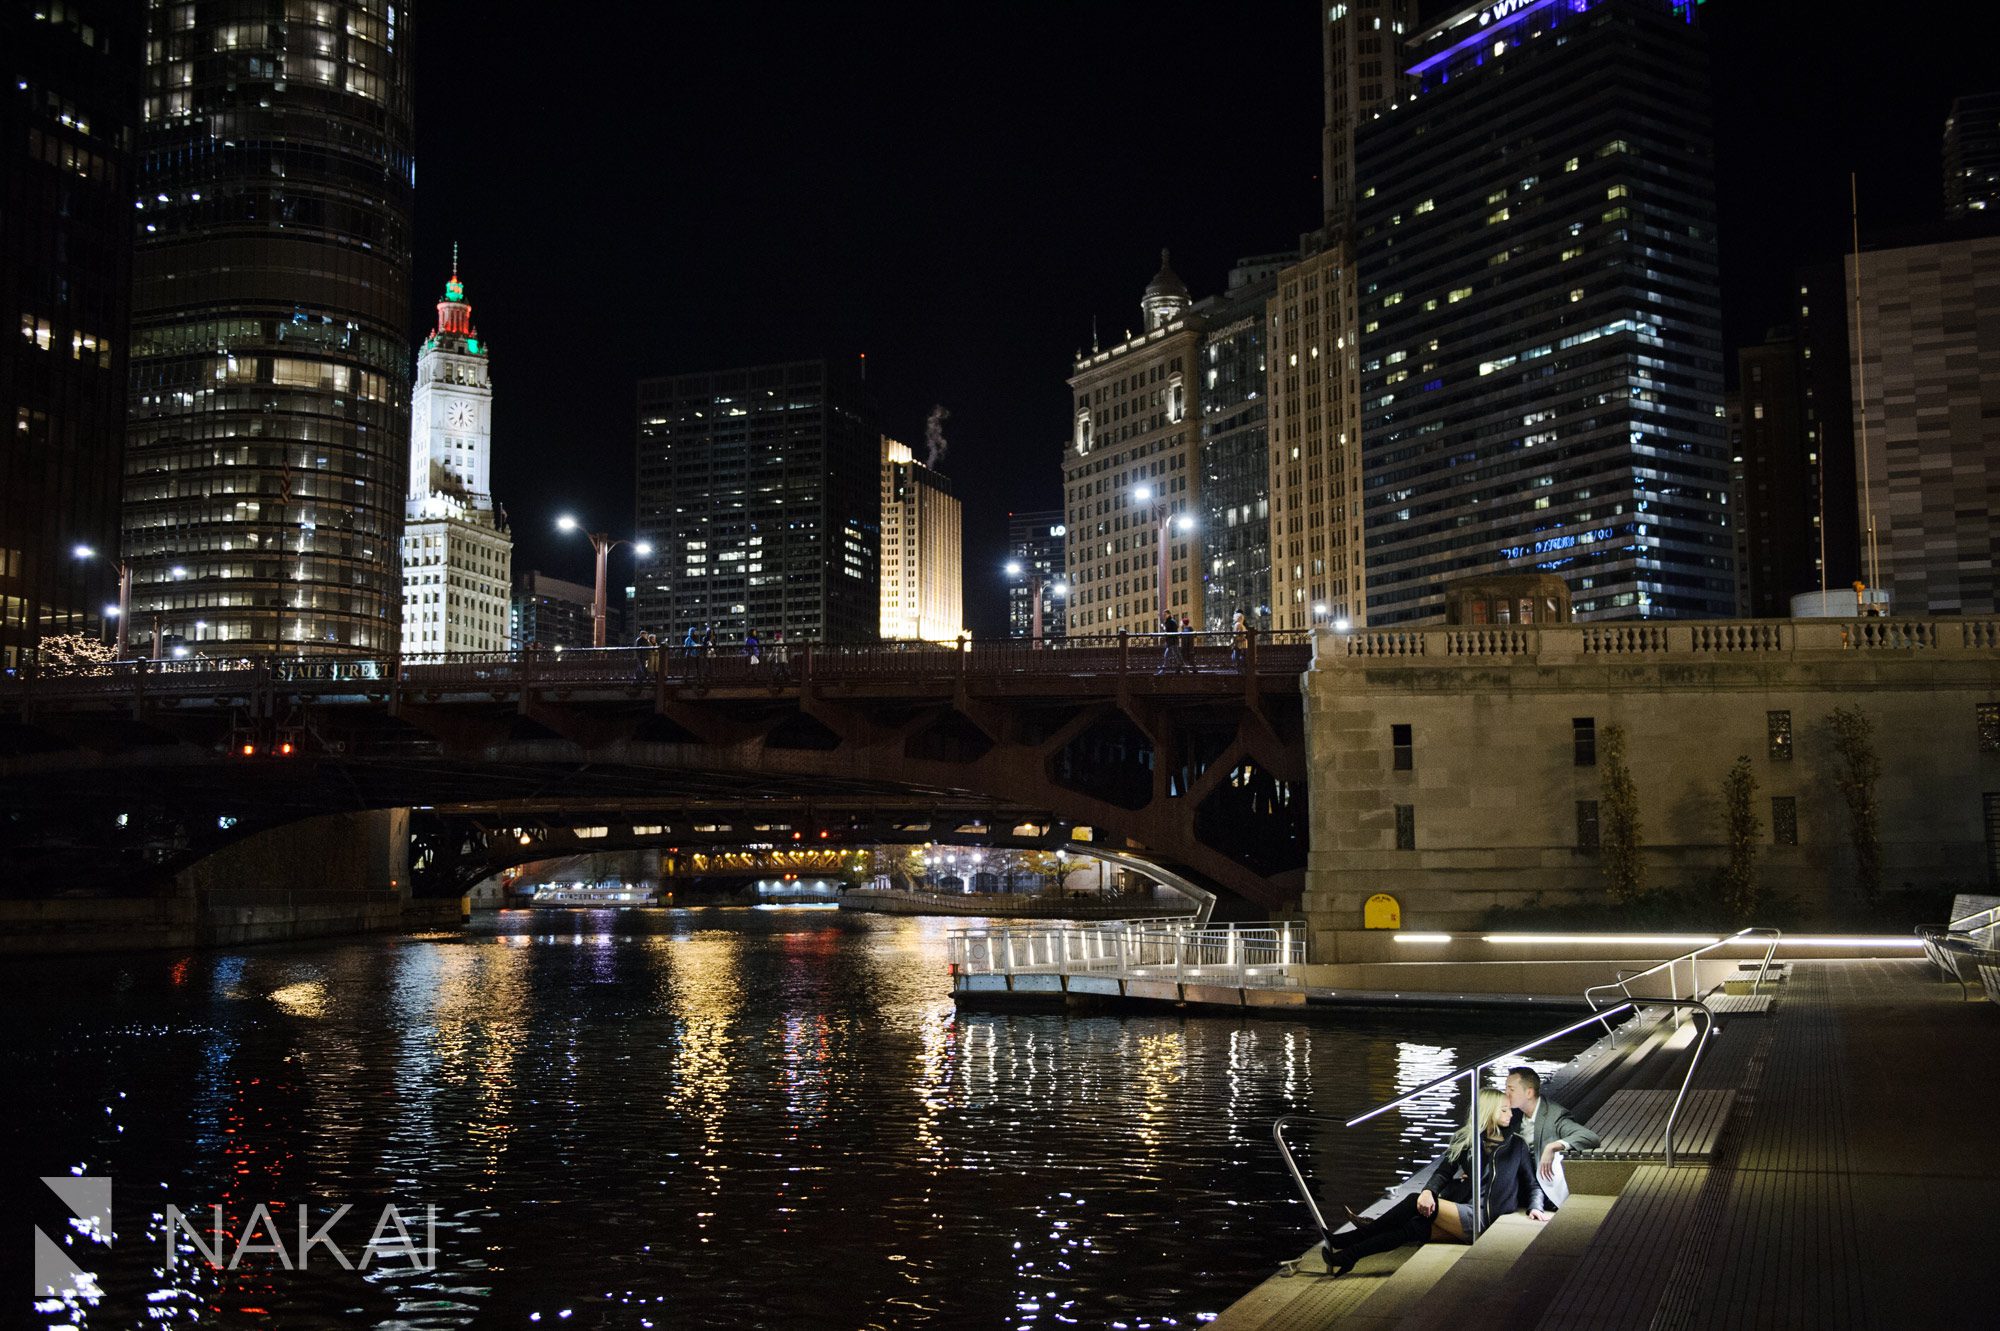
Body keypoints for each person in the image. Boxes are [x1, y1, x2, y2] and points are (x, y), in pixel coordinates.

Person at [1320, 1088, 1544, 1275]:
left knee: (1412, 1202)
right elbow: (1443, 1172)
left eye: (1509, 1109)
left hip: (1487, 1218)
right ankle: (1350, 1257)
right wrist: (1429, 1190)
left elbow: (1532, 1184)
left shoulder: (1517, 1145)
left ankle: (1347, 1240)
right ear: (1487, 1112)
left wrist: (1535, 1207)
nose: (1510, 1115)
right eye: (1503, 1110)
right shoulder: (1466, 1140)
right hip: (1466, 1212)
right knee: (1414, 1228)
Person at [1504, 1065, 1602, 1197]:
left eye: (1511, 1089)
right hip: (1516, 1181)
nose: (1506, 1093)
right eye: (1506, 1088)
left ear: (1529, 1093)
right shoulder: (1511, 1113)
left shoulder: (1555, 1115)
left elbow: (1589, 1137)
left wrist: (1552, 1147)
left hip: (1540, 1188)